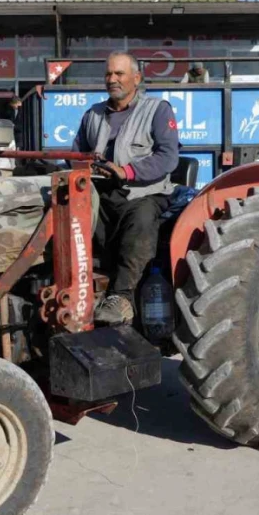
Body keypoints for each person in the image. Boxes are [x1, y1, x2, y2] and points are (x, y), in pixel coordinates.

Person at [72, 51, 180, 325]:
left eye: (119, 74)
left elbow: (168, 157)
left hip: (144, 192)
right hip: (103, 191)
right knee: (69, 213)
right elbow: (76, 154)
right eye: (108, 74)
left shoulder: (157, 110)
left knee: (141, 217)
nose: (112, 79)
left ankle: (121, 298)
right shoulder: (93, 114)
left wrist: (127, 171)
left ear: (136, 78)